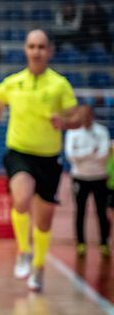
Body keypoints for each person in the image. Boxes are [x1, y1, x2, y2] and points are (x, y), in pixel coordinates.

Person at [0, 30, 89, 292]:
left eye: (41, 47)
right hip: (19, 153)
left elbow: (77, 117)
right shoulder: (13, 83)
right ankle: (24, 251)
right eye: (31, 46)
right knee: (22, 199)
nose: (36, 51)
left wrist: (65, 122)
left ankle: (38, 267)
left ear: (49, 51)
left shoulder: (59, 85)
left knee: (44, 221)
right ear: (25, 50)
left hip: (49, 158)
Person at [64, 108, 111, 257]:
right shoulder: (72, 133)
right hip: (79, 177)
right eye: (81, 115)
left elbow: (103, 154)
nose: (85, 118)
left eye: (87, 115)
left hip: (99, 177)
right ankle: (80, 243)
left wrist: (82, 154)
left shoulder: (101, 131)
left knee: (102, 212)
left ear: (92, 115)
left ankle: (104, 243)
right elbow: (71, 156)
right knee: (80, 211)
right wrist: (91, 151)